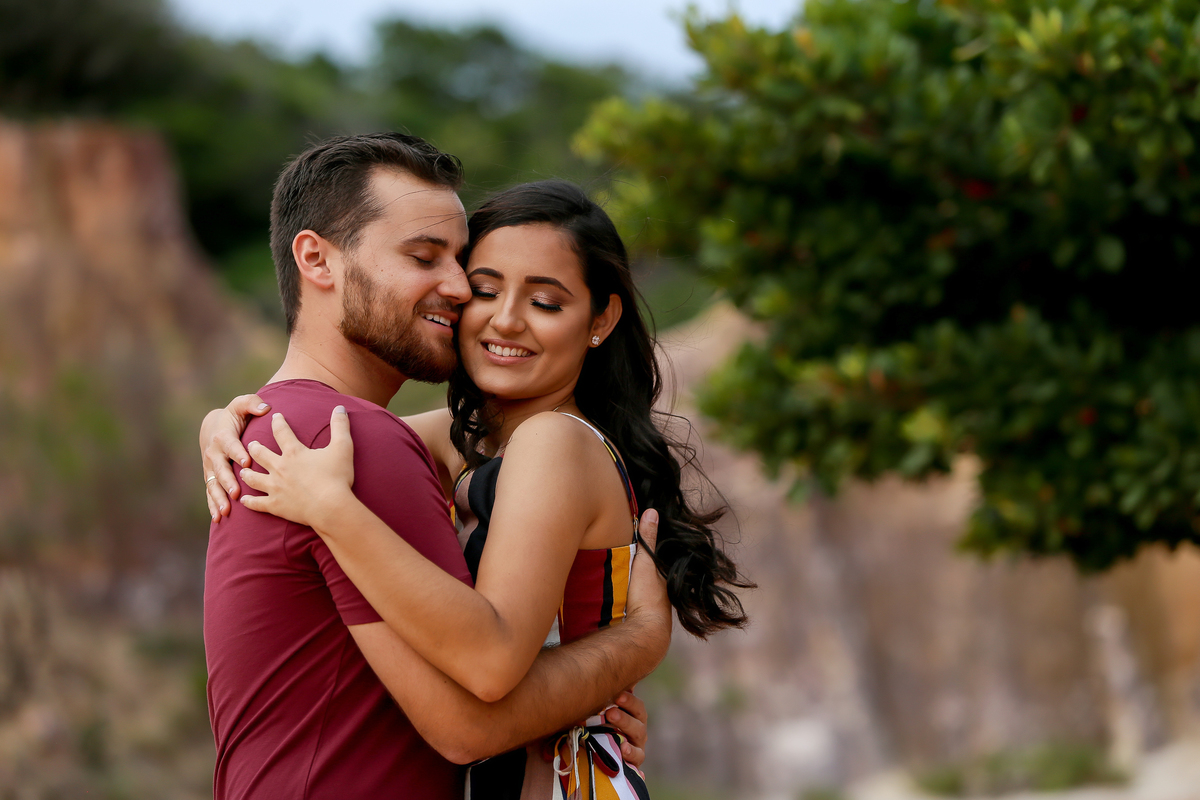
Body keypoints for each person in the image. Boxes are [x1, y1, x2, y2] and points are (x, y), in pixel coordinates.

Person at [202, 179, 753, 798]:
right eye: (485, 290)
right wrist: (227, 421)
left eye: (546, 303)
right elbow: (332, 430)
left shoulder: (555, 441)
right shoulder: (472, 443)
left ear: (600, 321)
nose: (507, 319)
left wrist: (331, 510)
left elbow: (490, 662)